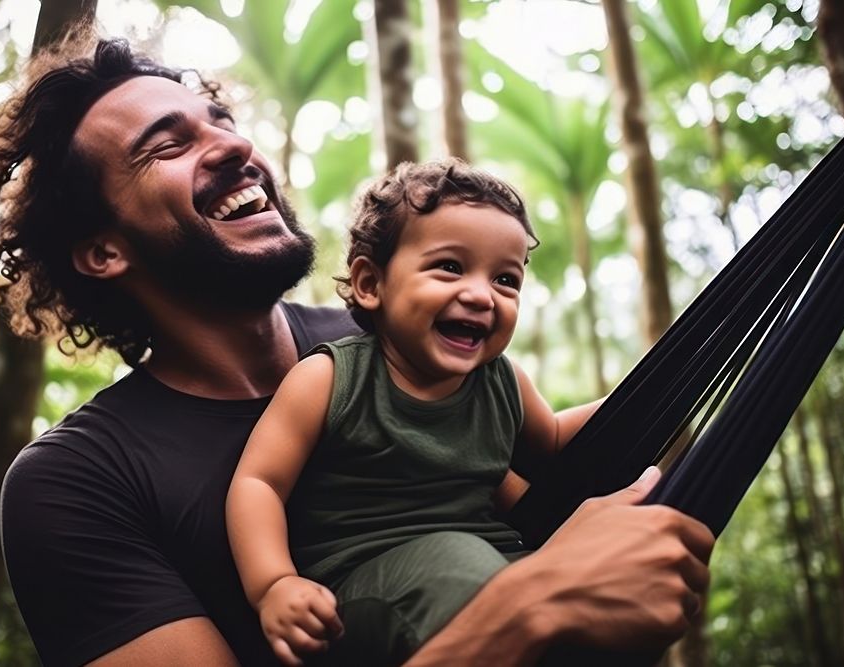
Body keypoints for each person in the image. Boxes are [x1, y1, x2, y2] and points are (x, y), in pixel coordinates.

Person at [0, 37, 714, 667]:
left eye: (223, 120)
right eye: (169, 144)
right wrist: (524, 606)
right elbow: (527, 584)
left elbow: (517, 496)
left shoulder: (400, 347)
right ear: (103, 251)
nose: (236, 145)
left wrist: (660, 423)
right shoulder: (75, 483)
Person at [227, 159, 608, 666]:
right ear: (370, 284)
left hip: (495, 564)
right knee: (464, 568)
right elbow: (259, 485)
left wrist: (656, 401)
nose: (480, 295)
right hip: (362, 589)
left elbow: (555, 445)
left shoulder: (503, 381)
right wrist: (274, 584)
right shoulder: (330, 379)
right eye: (450, 266)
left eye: (505, 279)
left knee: (588, 585)